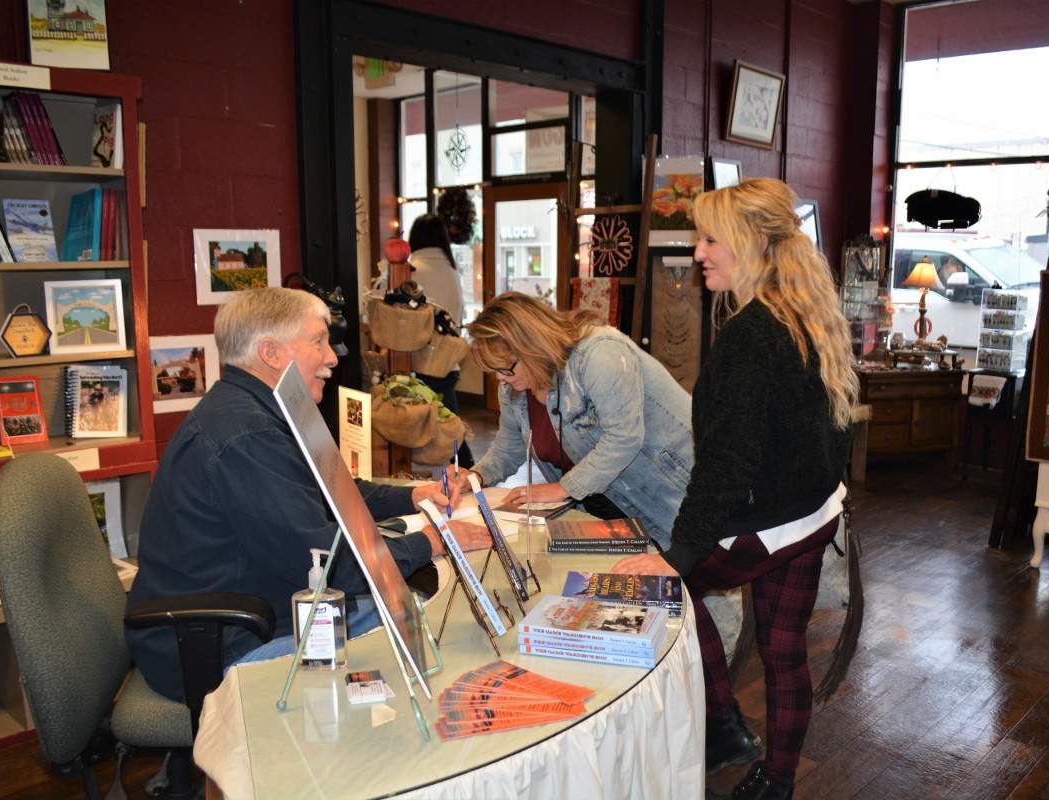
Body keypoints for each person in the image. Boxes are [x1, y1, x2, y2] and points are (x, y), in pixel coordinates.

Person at [613, 178, 859, 800]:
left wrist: (680, 554)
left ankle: (722, 726)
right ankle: (775, 780)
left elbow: (725, 465)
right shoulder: (805, 313)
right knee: (784, 653)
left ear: (750, 243)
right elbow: (834, 429)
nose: (698, 252)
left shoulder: (752, 333)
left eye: (709, 238)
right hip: (814, 515)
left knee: (667, 590)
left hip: (772, 523)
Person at [127, 287, 490, 703]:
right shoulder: (249, 436)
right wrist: (433, 541)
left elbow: (334, 488)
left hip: (248, 613)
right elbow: (329, 569)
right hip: (217, 647)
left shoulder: (261, 408)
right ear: (271, 352)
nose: (333, 356)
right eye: (318, 341)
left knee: (417, 599)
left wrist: (411, 498)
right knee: (430, 619)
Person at [458, 291, 694, 552]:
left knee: (682, 586)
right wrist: (475, 476)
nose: (501, 379)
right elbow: (508, 447)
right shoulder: (515, 387)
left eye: (506, 368)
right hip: (602, 504)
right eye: (495, 371)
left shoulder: (599, 353)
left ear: (531, 347)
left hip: (666, 497)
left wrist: (563, 488)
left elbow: (623, 438)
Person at [408, 213, 474, 467]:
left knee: (416, 423)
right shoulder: (451, 272)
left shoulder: (412, 271)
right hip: (449, 362)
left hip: (422, 362)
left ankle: (468, 469)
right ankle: (468, 468)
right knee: (450, 421)